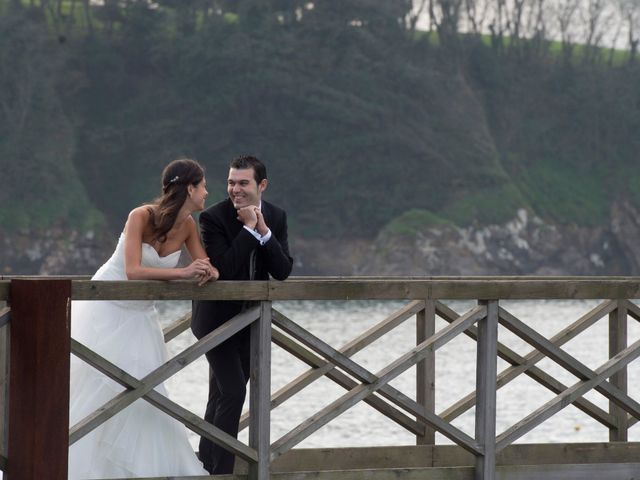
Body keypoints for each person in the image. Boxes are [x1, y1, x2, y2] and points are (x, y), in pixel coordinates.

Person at [68, 158, 218, 479]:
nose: (207, 191)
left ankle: (142, 470)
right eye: (203, 185)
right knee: (98, 386)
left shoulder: (189, 225)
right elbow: (133, 270)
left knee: (145, 393)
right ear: (190, 188)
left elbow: (204, 262)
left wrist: (209, 270)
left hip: (141, 316)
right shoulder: (141, 216)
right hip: (107, 308)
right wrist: (184, 272)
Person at [192, 155, 293, 474]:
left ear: (261, 185)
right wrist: (249, 230)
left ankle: (204, 462)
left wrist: (264, 233)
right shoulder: (212, 218)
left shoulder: (276, 216)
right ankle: (222, 471)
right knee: (234, 391)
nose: (235, 189)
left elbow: (282, 271)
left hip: (251, 323)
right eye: (231, 182)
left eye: (243, 183)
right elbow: (226, 268)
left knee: (221, 393)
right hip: (215, 321)